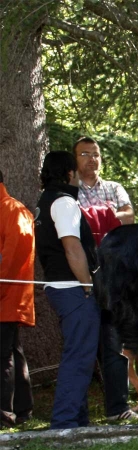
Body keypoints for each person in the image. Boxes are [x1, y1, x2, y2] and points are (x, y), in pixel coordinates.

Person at [73, 137, 138, 423]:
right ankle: (76, 414)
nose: (92, 159)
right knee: (82, 343)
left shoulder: (114, 188)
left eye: (96, 154)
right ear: (74, 160)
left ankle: (118, 409)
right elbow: (73, 226)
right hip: (80, 274)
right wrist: (106, 219)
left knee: (116, 342)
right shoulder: (70, 191)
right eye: (85, 154)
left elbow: (128, 217)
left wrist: (99, 217)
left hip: (116, 275)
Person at [34, 151, 101, 429]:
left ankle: (78, 420)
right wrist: (87, 284)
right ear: (69, 174)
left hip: (59, 286)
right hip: (73, 287)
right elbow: (72, 247)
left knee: (79, 353)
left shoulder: (44, 201)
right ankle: (64, 423)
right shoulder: (63, 202)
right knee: (80, 355)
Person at [0, 170, 35, 428]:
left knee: (3, 356)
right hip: (6, 296)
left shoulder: (14, 210)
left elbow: (12, 260)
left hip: (8, 296)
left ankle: (4, 413)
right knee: (11, 351)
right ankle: (22, 409)